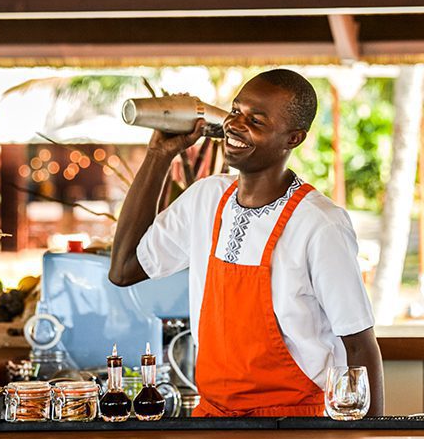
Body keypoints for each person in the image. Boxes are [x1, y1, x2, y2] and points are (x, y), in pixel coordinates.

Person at [109, 68, 383, 417]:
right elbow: (124, 269)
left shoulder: (319, 224)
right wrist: (158, 155)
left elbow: (360, 347)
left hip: (298, 425)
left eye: (256, 120)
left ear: (293, 138)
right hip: (214, 420)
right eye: (236, 111)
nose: (236, 125)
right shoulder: (205, 199)